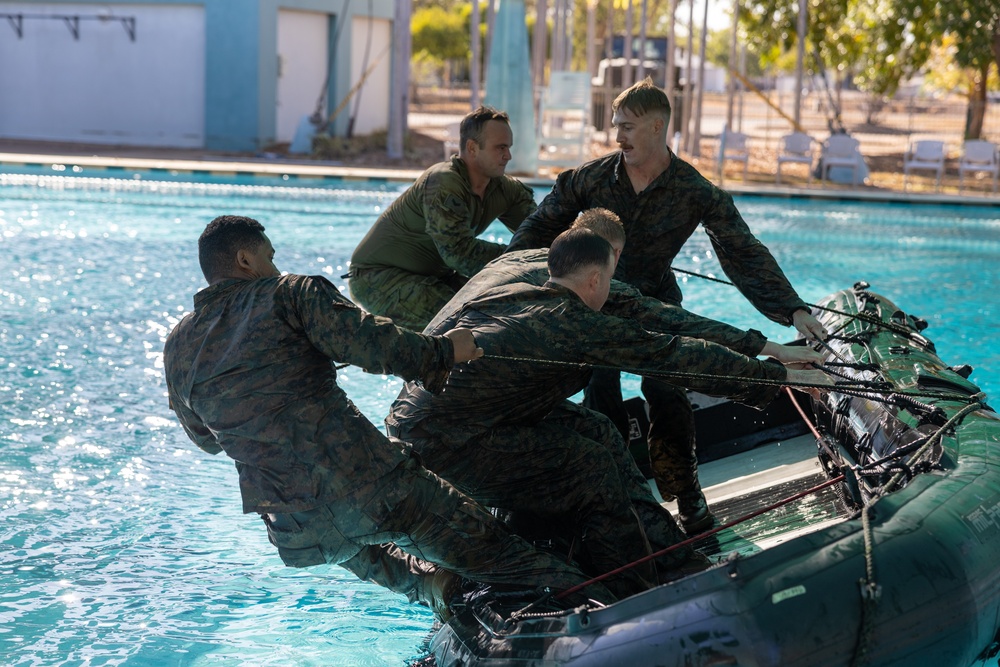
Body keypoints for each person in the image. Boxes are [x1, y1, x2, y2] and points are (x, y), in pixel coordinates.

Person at [162, 215, 615, 620]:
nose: (276, 267)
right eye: (269, 257)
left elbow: (206, 440)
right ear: (244, 260)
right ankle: (610, 614)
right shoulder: (288, 295)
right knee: (499, 552)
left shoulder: (178, 345)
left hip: (294, 526)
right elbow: (374, 346)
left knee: (355, 542)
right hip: (374, 487)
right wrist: (445, 350)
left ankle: (431, 585)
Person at [387, 228, 831, 598]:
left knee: (596, 427)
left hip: (453, 417)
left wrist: (765, 351)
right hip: (444, 443)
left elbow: (666, 321)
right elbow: (671, 354)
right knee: (591, 467)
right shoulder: (573, 324)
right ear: (597, 278)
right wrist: (780, 379)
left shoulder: (523, 279)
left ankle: (671, 557)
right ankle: (634, 592)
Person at [505, 77, 829, 534]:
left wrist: (792, 309)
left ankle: (688, 497)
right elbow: (534, 234)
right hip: (595, 302)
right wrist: (513, 289)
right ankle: (616, 501)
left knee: (669, 393)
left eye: (627, 126)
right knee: (600, 395)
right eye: (615, 126)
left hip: (657, 301)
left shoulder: (695, 190)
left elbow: (742, 250)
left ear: (657, 127)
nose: (617, 136)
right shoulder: (590, 178)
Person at [424, 209, 824, 518]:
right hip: (468, 431)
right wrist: (775, 359)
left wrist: (767, 350)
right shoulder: (578, 304)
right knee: (595, 455)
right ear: (608, 258)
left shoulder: (517, 263)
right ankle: (660, 542)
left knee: (595, 427)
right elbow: (674, 341)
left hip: (432, 399)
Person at [348, 106, 536, 330]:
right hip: (379, 278)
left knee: (507, 308)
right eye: (500, 148)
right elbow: (459, 254)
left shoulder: (505, 189)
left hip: (435, 275)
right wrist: (519, 262)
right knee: (472, 321)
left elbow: (541, 231)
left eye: (508, 147)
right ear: (472, 148)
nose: (508, 156)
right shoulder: (443, 183)